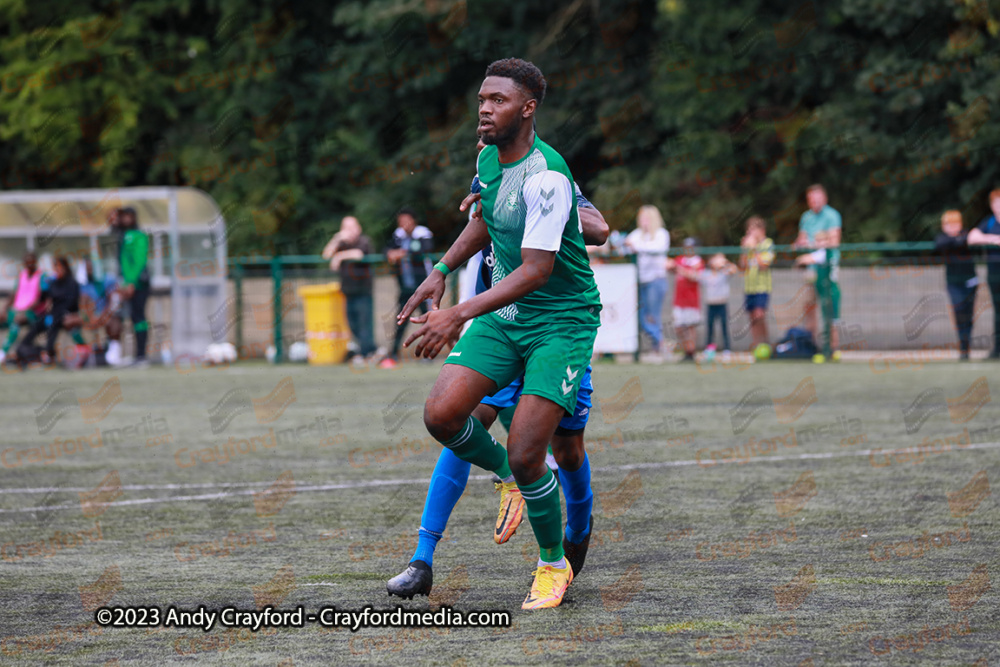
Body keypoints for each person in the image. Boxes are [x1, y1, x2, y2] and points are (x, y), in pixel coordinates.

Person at [393, 58, 602, 609]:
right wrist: (438, 273)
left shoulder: (550, 176)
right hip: (507, 316)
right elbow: (483, 220)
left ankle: (553, 565)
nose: (484, 109)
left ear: (527, 108)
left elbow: (536, 270)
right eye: (482, 99)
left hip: (561, 321)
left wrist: (457, 312)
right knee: (441, 414)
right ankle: (503, 480)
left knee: (538, 449)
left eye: (498, 101)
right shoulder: (488, 157)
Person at [793, 184, 842, 358]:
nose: (815, 202)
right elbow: (802, 240)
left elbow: (832, 243)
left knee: (830, 307)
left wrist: (812, 249)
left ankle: (832, 348)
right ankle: (811, 346)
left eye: (818, 198)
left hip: (827, 269)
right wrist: (800, 246)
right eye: (811, 199)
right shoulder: (806, 217)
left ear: (825, 198)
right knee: (809, 306)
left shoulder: (832, 215)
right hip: (812, 271)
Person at [383, 207, 434, 369]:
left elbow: (425, 249)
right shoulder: (398, 235)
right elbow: (387, 250)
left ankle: (429, 353)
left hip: (423, 287)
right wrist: (392, 253)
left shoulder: (422, 233)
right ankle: (393, 353)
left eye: (406, 220)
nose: (403, 224)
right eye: (401, 221)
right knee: (401, 319)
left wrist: (402, 252)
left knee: (426, 320)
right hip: (406, 287)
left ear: (413, 221)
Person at [323, 216, 377, 366]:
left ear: (358, 228)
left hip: (363, 290)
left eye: (352, 227)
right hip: (347, 291)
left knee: (364, 324)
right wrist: (336, 238)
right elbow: (326, 255)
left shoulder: (364, 241)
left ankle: (366, 354)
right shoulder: (341, 243)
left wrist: (339, 256)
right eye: (345, 228)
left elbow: (359, 254)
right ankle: (372, 351)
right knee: (353, 325)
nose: (349, 231)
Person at [624, 205, 670, 361]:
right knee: (641, 316)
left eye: (646, 218)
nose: (643, 221)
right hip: (640, 280)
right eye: (641, 218)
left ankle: (658, 345)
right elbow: (626, 245)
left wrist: (635, 246)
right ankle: (660, 342)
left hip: (656, 279)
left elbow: (656, 248)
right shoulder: (637, 234)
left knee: (653, 315)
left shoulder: (661, 234)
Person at [21, 256, 82, 365]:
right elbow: (43, 298)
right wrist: (31, 305)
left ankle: (49, 353)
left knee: (54, 322)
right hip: (53, 314)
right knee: (38, 324)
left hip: (67, 314)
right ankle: (24, 347)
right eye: (55, 267)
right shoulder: (52, 283)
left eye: (59, 267)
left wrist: (59, 313)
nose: (57, 270)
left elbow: (72, 303)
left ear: (65, 268)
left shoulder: (72, 283)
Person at [936, 210, 977, 360]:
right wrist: (958, 240)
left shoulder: (967, 234)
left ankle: (966, 346)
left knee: (969, 313)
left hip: (970, 281)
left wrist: (961, 239)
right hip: (953, 282)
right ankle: (963, 344)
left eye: (955, 223)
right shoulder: (942, 239)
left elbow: (971, 239)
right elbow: (940, 244)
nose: (953, 227)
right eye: (949, 224)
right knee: (959, 310)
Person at [967, 189, 1000, 359]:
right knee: (997, 312)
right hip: (995, 275)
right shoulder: (989, 222)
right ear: (992, 206)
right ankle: (997, 350)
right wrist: (993, 239)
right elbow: (972, 237)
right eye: (997, 203)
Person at [116, 207, 151, 367]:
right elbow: (124, 263)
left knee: (139, 317)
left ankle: (142, 355)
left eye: (128, 216)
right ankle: (135, 355)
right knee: (132, 318)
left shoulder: (139, 236)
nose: (125, 220)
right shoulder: (123, 236)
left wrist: (132, 282)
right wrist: (124, 283)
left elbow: (139, 261)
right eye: (123, 217)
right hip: (127, 284)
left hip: (138, 285)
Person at [1, 252, 43, 364]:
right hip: (16, 310)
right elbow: (14, 294)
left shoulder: (41, 276)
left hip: (31, 312)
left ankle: (2, 354)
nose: (29, 264)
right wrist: (4, 308)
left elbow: (41, 298)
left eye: (31, 262)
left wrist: (26, 309)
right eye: (26, 262)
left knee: (16, 322)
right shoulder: (22, 275)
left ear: (35, 262)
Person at [740, 216, 775, 351]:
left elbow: (764, 265)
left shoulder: (768, 244)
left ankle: (765, 343)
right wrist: (744, 250)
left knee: (759, 315)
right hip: (750, 287)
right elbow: (742, 266)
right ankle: (756, 345)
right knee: (752, 318)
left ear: (762, 230)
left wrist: (753, 249)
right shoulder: (748, 245)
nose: (751, 233)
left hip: (762, 287)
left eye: (753, 229)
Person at [671, 237, 704, 362]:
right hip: (679, 299)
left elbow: (695, 276)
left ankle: (691, 351)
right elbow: (670, 266)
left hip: (691, 300)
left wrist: (681, 270)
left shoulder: (698, 261)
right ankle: (687, 349)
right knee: (679, 327)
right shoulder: (680, 259)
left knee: (691, 327)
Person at [701, 253, 737, 358]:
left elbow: (734, 269)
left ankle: (727, 349)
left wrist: (724, 263)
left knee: (724, 327)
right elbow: (694, 275)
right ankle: (709, 349)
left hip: (722, 303)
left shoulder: (724, 273)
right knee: (710, 328)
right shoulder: (706, 274)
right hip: (711, 304)